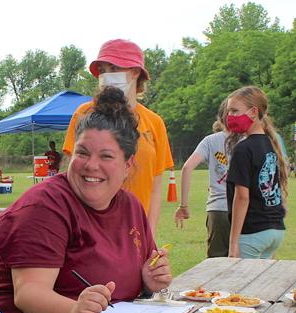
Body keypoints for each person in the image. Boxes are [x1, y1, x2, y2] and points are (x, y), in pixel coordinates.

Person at [0, 87, 172, 313]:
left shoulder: (131, 206)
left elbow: (133, 276)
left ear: (128, 165)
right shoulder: (43, 207)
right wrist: (73, 311)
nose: (91, 165)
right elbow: (29, 294)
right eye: (82, 153)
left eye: (106, 156)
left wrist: (147, 281)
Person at [63, 39, 173, 236]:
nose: (106, 76)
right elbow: (72, 172)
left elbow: (156, 188)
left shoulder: (154, 122)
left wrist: (150, 235)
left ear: (135, 72)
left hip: (135, 229)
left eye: (113, 68)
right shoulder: (84, 113)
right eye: (102, 70)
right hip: (90, 226)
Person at [225, 86, 288, 259]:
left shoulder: (243, 149)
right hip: (275, 230)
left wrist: (233, 242)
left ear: (254, 112)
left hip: (253, 231)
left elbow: (242, 197)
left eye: (235, 110)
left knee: (242, 285)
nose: (230, 116)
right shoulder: (271, 144)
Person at [174, 98, 236, 257]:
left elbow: (187, 167)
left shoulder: (210, 140)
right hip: (246, 208)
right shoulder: (250, 139)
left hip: (218, 209)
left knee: (216, 262)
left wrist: (184, 206)